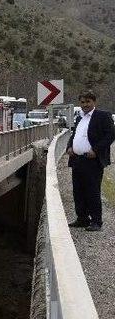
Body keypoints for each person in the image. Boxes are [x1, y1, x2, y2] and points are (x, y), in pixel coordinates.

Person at [66, 90, 115, 231]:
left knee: (92, 191)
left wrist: (96, 150)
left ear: (94, 102)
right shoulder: (80, 117)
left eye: (88, 101)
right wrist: (69, 146)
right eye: (82, 102)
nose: (85, 104)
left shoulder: (102, 116)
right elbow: (74, 134)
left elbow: (111, 135)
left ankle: (96, 221)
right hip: (77, 160)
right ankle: (82, 218)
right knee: (78, 191)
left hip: (92, 161)